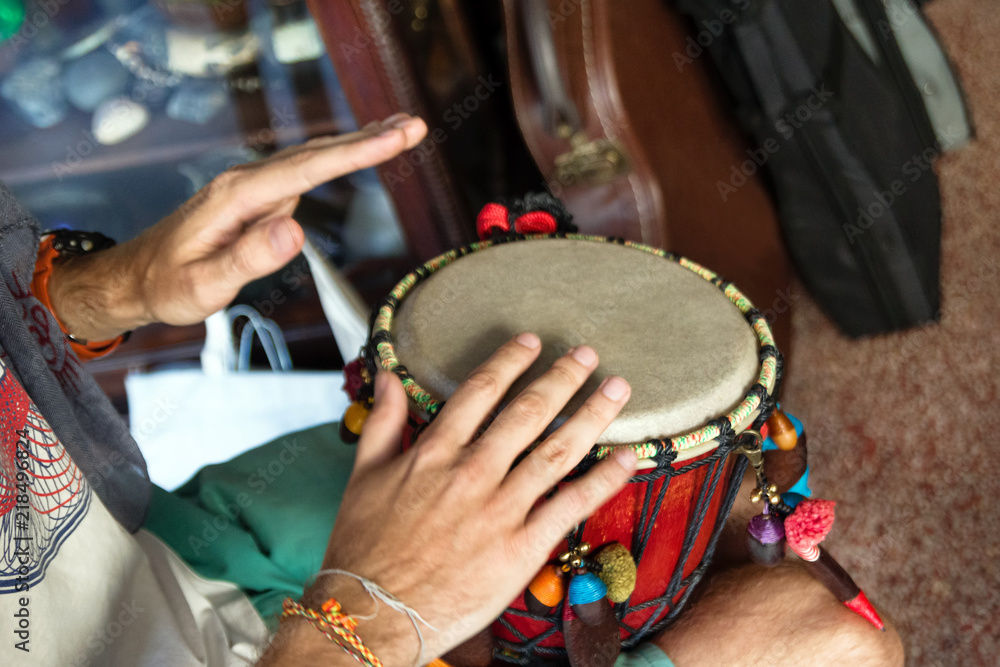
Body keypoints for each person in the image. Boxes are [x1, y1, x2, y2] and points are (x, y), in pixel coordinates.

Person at [0, 113, 903, 666]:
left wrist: (91, 295)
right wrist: (366, 616)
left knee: (793, 587)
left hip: (187, 549)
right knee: (837, 642)